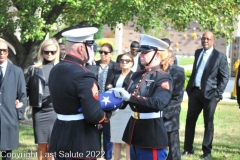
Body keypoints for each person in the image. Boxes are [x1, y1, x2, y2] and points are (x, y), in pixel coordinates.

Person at [48, 27, 114, 160]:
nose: (93, 51)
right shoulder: (84, 75)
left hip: (60, 134)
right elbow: (93, 114)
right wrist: (107, 115)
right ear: (81, 48)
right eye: (91, 47)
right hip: (80, 139)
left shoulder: (55, 69)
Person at [111, 34, 173, 160]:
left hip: (151, 134)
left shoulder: (163, 77)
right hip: (134, 131)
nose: (141, 55)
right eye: (141, 52)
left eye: (145, 52)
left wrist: (129, 97)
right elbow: (125, 101)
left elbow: (158, 103)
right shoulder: (136, 75)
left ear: (157, 55)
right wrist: (112, 100)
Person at [182, 31, 229, 159]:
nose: (205, 41)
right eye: (203, 38)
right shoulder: (198, 52)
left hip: (210, 95)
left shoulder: (220, 56)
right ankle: (188, 148)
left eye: (208, 39)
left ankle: (206, 151)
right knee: (190, 121)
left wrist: (217, 95)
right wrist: (190, 89)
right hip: (195, 93)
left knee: (208, 123)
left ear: (213, 41)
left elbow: (224, 77)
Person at [25, 38, 60, 160]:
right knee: (41, 143)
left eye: (52, 52)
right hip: (39, 110)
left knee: (52, 144)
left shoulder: (61, 68)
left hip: (55, 111)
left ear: (57, 52)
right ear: (42, 52)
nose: (49, 54)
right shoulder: (34, 69)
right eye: (46, 52)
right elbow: (26, 89)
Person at [0, 39, 27, 160]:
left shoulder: (17, 71)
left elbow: (22, 96)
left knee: (7, 156)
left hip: (8, 120)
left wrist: (18, 115)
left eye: (4, 50)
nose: (1, 53)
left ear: (7, 53)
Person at [95, 43, 120, 160]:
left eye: (105, 52)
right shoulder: (94, 66)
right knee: (94, 132)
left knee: (108, 134)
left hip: (109, 104)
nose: (103, 54)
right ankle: (94, 155)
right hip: (95, 103)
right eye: (101, 52)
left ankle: (108, 156)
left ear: (111, 54)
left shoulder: (116, 67)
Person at [160, 49, 185, 160]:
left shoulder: (178, 72)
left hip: (170, 113)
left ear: (172, 59)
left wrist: (164, 113)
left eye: (166, 58)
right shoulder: (156, 71)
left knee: (173, 144)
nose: (163, 61)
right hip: (155, 112)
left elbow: (177, 98)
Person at [110, 53, 134, 160]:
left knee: (128, 140)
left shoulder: (134, 76)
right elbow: (108, 86)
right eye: (122, 60)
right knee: (116, 138)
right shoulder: (115, 75)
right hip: (116, 111)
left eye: (127, 60)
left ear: (132, 63)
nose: (124, 62)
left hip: (128, 110)